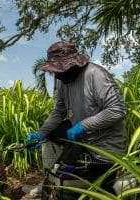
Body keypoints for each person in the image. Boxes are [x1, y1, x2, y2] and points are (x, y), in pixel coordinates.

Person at [26, 41, 127, 198]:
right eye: (55, 71)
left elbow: (117, 109)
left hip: (104, 147)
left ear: (75, 64)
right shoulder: (63, 82)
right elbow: (59, 112)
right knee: (51, 138)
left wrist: (82, 126)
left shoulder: (95, 75)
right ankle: (57, 171)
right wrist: (40, 134)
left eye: (61, 69)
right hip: (81, 141)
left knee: (78, 191)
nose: (58, 75)